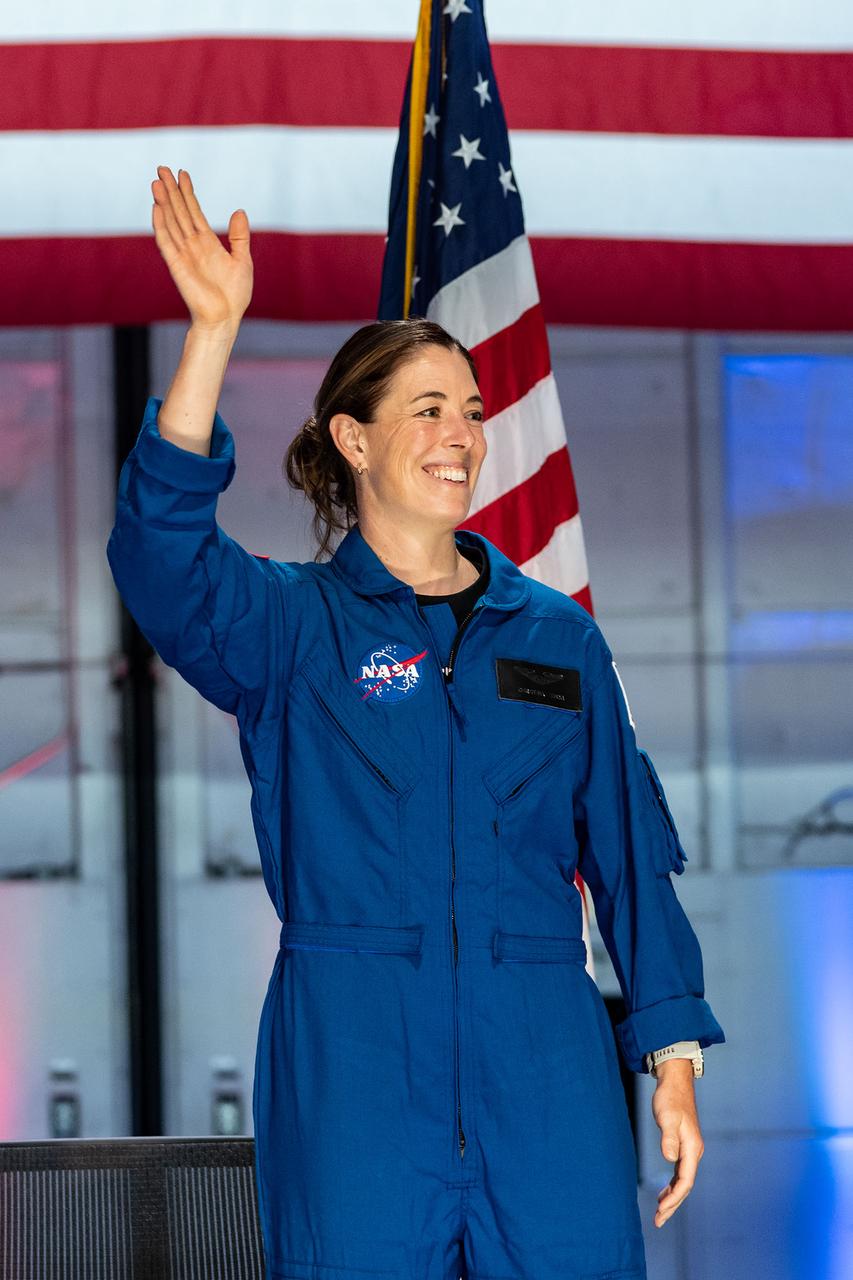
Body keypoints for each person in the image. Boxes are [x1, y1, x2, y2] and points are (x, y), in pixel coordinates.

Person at [106, 166, 726, 1280]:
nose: (462, 434)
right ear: (352, 439)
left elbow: (629, 853)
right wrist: (210, 335)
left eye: (475, 411)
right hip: (355, 1060)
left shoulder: (554, 639)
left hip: (543, 1055)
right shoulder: (291, 629)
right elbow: (162, 563)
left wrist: (670, 1047)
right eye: (428, 409)